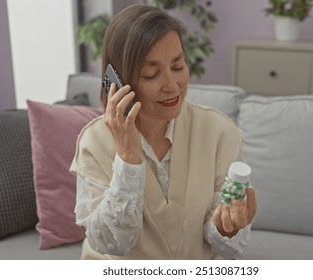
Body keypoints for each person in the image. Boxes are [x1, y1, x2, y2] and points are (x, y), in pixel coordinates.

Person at [70, 4, 257, 260]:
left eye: (178, 67)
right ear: (121, 82)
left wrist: (226, 228)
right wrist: (127, 157)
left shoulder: (220, 132)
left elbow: (229, 246)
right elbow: (111, 243)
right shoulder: (94, 142)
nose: (172, 85)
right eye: (151, 74)